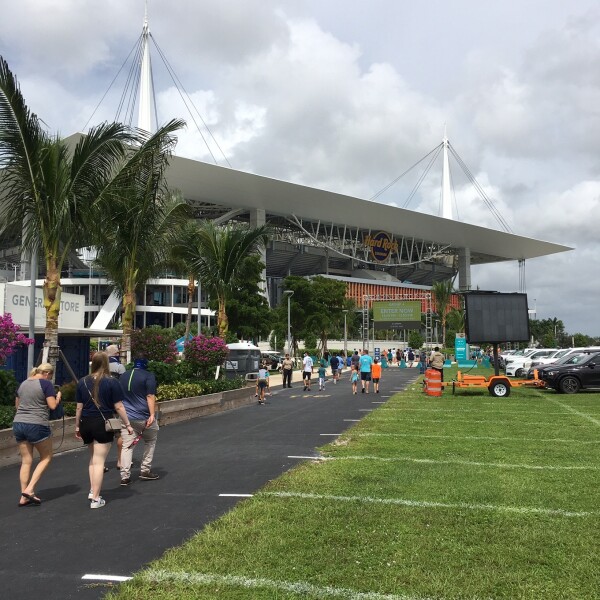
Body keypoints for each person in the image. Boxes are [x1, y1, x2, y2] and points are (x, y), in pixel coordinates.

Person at [76, 352, 133, 508]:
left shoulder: (82, 382)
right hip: (103, 423)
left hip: (85, 422)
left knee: (93, 459)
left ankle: (92, 490)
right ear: (106, 363)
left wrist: (76, 426)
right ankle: (96, 498)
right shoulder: (111, 382)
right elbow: (119, 406)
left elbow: (79, 407)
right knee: (100, 460)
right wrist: (127, 424)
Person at [12, 364, 62, 507]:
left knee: (26, 460)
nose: (50, 379)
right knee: (46, 457)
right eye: (51, 376)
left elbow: (17, 405)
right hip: (37, 424)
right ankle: (30, 489)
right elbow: (52, 406)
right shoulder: (45, 384)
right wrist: (58, 397)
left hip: (19, 423)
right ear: (46, 373)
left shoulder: (23, 383)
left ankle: (24, 495)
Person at [119, 357, 160, 485]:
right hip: (144, 416)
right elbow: (150, 395)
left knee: (127, 446)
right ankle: (145, 470)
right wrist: (152, 414)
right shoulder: (149, 376)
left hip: (127, 417)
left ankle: (124, 476)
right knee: (150, 441)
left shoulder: (123, 376)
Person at [105, 344, 125, 471]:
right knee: (119, 434)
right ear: (117, 353)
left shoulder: (101, 367)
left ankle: (101, 463)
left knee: (103, 437)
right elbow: (123, 384)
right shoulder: (119, 366)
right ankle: (120, 461)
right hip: (115, 404)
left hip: (102, 405)